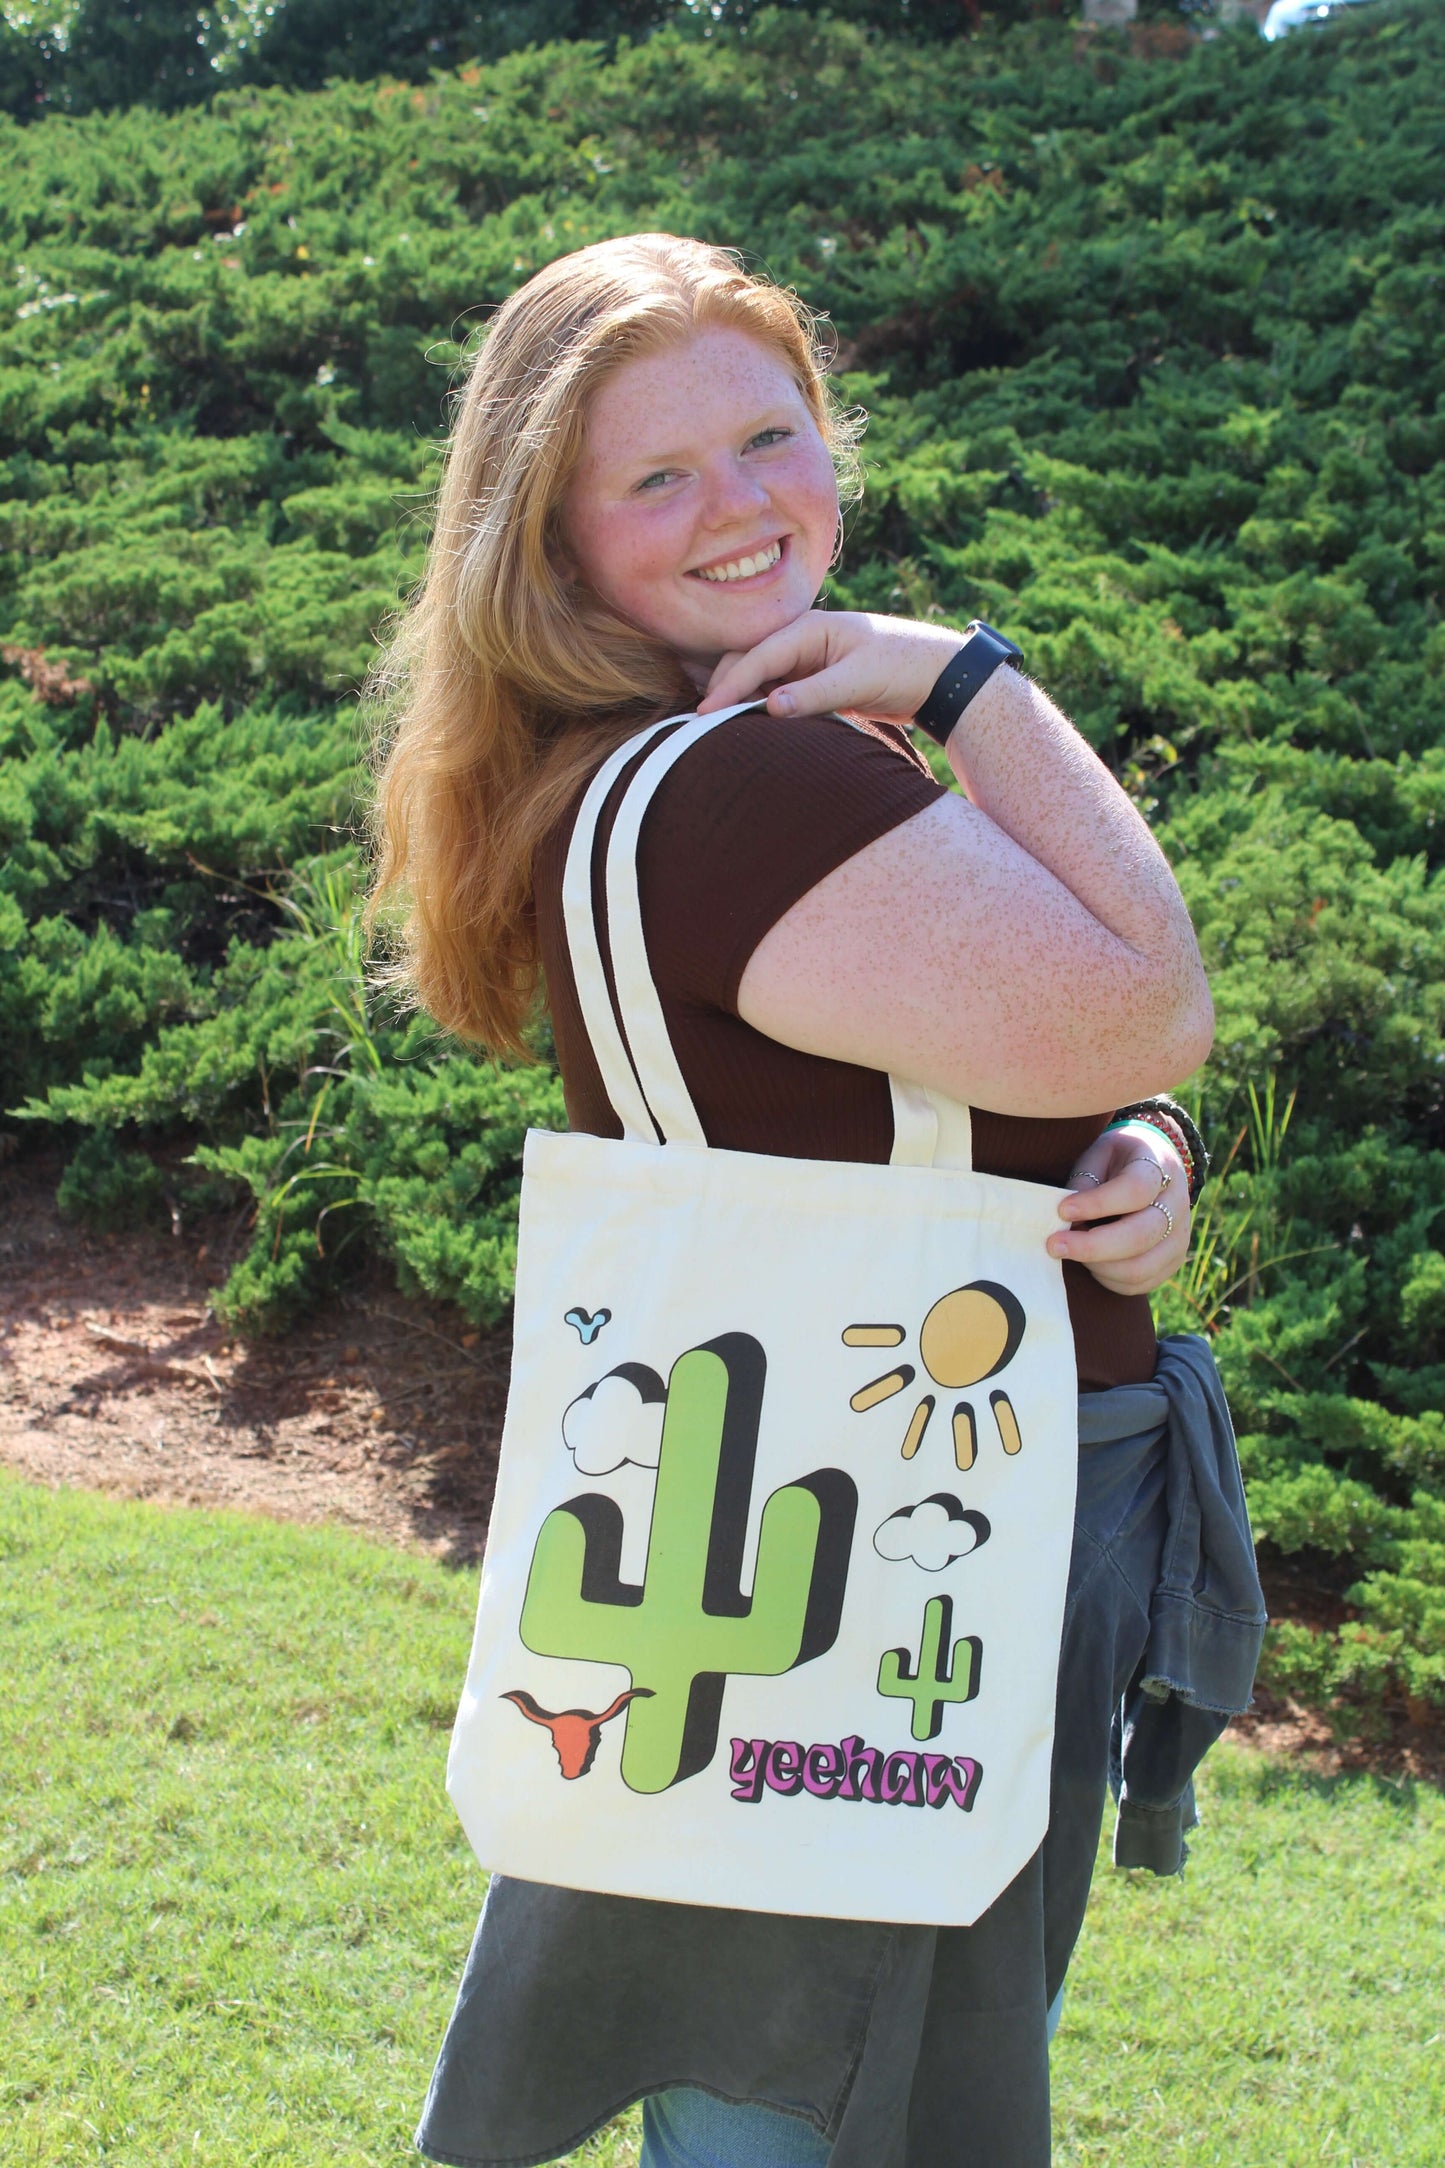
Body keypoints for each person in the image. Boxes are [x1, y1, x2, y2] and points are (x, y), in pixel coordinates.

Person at [370, 233, 1264, 2168]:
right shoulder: (751, 788)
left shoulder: (642, 774)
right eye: (655, 477)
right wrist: (969, 676)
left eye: (770, 433)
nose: (742, 505)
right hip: (943, 1538)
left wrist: (1141, 1154)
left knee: (776, 2071)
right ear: (553, 543)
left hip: (797, 1529)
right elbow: (1156, 998)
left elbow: (998, 1072)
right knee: (853, 2096)